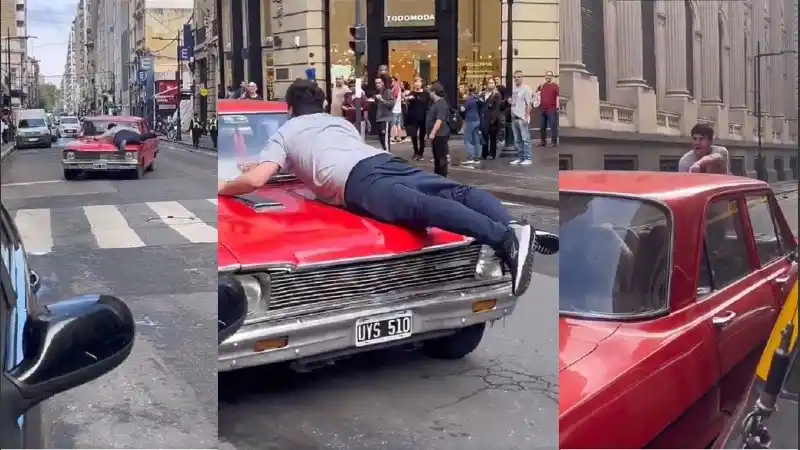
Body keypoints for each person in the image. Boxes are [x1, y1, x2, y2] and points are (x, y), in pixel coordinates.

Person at [217, 79, 552, 297]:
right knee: (455, 192)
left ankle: (504, 239)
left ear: (289, 109)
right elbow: (322, 152)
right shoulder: (337, 123)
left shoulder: (285, 132)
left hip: (359, 182)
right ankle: (513, 225)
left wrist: (225, 187)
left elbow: (256, 181)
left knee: (423, 209)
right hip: (383, 161)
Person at [426, 83, 452, 177]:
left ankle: (442, 175)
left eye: (430, 92)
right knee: (437, 157)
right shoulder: (436, 103)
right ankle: (437, 175)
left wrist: (432, 133)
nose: (429, 94)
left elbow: (439, 120)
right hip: (437, 134)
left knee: (441, 157)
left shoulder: (441, 103)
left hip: (440, 134)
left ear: (433, 92)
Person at [509, 70, 534, 165]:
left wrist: (526, 117)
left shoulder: (526, 89)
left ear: (522, 77)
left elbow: (529, 104)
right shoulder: (514, 89)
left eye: (518, 77)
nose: (516, 78)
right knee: (517, 140)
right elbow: (515, 102)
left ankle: (528, 158)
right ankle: (521, 157)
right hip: (514, 117)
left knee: (525, 139)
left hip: (522, 117)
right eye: (515, 77)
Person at [404, 77, 431, 161]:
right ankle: (416, 151)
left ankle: (421, 153)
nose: (417, 84)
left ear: (422, 84)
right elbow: (406, 102)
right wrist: (407, 99)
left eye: (419, 82)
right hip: (413, 117)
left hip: (423, 117)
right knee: (413, 135)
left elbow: (428, 105)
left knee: (422, 136)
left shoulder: (426, 94)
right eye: (416, 82)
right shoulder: (412, 93)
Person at [481, 78, 504, 159]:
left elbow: (497, 108)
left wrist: (493, 119)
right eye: (489, 83)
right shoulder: (483, 94)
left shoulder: (497, 94)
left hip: (492, 118)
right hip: (484, 118)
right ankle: (484, 153)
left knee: (493, 137)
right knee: (484, 136)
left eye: (492, 83)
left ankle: (492, 153)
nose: (490, 84)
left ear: (494, 84)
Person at [460, 86, 483, 166]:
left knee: (468, 139)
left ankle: (470, 157)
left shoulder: (469, 99)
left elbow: (463, 109)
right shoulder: (477, 98)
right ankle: (477, 157)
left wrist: (461, 107)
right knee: (476, 139)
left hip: (470, 120)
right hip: (477, 119)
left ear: (468, 92)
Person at [536, 71, 559, 147]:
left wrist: (557, 106)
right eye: (547, 75)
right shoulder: (542, 85)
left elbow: (559, 96)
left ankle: (554, 142)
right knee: (542, 126)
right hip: (543, 109)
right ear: (545, 76)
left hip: (551, 109)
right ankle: (543, 141)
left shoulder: (555, 86)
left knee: (553, 126)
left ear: (552, 77)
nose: (548, 77)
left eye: (550, 75)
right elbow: (536, 93)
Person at [373, 77, 395, 152]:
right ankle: (386, 154)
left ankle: (388, 156)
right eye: (376, 83)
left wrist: (382, 100)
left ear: (382, 83)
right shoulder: (376, 92)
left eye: (379, 83)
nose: (377, 85)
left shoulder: (387, 92)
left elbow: (392, 104)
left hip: (385, 119)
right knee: (382, 140)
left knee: (385, 140)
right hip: (379, 118)